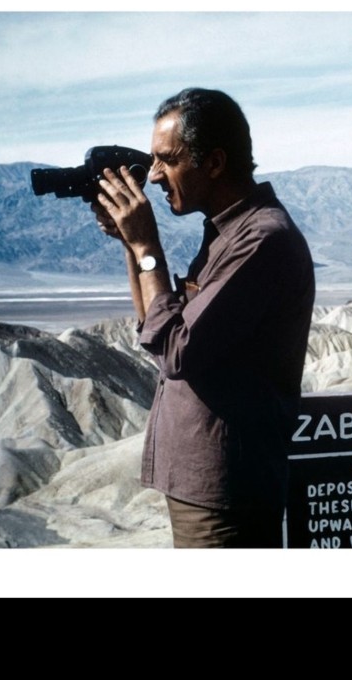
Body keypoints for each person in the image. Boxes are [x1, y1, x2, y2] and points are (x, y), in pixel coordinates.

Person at [93, 87, 315, 548]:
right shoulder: (226, 234)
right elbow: (159, 332)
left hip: (227, 496)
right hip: (204, 488)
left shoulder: (260, 240)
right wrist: (131, 246)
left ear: (213, 163)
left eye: (166, 160)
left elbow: (178, 352)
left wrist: (149, 247)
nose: (152, 176)